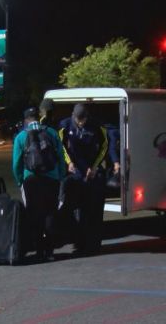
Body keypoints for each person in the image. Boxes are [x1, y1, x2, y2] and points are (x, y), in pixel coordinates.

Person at [12, 107, 66, 261]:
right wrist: (60, 175)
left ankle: (39, 251)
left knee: (34, 214)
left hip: (31, 180)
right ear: (38, 117)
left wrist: (19, 179)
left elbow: (16, 162)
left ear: (25, 120)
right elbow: (61, 157)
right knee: (50, 212)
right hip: (52, 178)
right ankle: (50, 251)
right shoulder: (52, 133)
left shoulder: (21, 136)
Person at [58, 103, 108, 253]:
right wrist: (69, 163)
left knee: (94, 210)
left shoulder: (97, 126)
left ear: (87, 117)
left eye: (83, 120)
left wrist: (94, 167)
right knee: (77, 211)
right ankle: (79, 243)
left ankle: (94, 245)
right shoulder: (65, 125)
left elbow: (104, 146)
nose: (80, 123)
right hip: (76, 173)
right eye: (78, 120)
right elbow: (61, 146)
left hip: (92, 172)